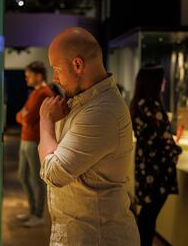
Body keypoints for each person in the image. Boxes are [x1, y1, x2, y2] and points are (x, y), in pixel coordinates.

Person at [39, 27, 139, 245]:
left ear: (77, 65)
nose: (54, 77)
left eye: (56, 68)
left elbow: (54, 174)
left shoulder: (102, 110)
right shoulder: (84, 102)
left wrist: (45, 121)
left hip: (97, 237)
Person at [129, 66, 182, 246]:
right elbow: (163, 136)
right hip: (157, 166)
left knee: (148, 212)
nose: (164, 83)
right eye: (162, 79)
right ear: (154, 82)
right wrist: (175, 150)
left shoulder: (139, 103)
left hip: (146, 162)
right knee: (149, 214)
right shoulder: (152, 104)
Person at [16, 61, 54, 227]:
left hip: (34, 140)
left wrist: (24, 117)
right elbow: (20, 115)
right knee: (23, 176)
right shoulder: (35, 93)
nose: (26, 79)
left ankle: (38, 214)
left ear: (38, 75)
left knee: (36, 179)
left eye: (29, 75)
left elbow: (28, 117)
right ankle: (33, 211)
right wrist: (23, 117)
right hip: (26, 139)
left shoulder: (44, 93)